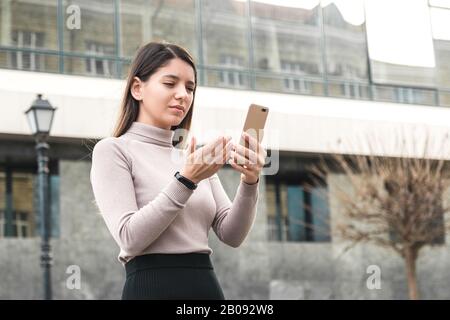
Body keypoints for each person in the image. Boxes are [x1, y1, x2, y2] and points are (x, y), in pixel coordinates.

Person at [90, 41, 267, 300]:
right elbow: (129, 237)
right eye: (170, 83)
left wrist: (250, 181)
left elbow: (232, 234)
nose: (183, 95)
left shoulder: (192, 159)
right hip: (151, 286)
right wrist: (186, 179)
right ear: (137, 88)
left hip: (206, 286)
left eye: (190, 87)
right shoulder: (113, 151)